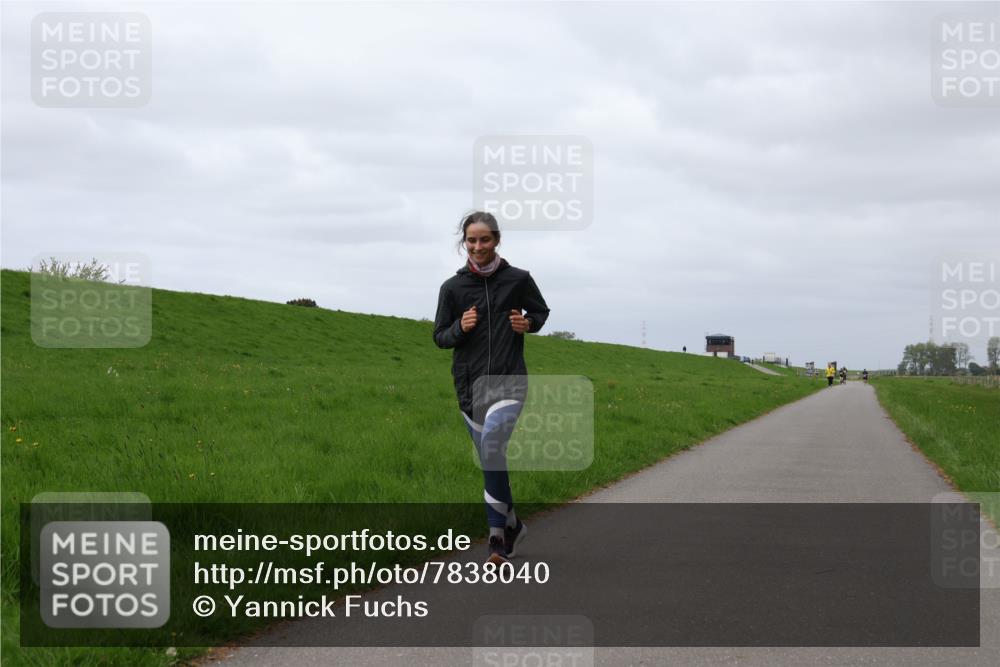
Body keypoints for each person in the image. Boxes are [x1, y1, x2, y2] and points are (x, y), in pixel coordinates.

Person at [433, 211, 550, 565]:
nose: (478, 246)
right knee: (490, 458)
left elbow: (541, 312)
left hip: (509, 381)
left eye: (485, 239)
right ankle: (512, 524)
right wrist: (460, 327)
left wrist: (527, 323)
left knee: (492, 444)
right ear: (464, 242)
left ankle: (496, 538)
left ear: (496, 240)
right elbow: (440, 337)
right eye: (472, 240)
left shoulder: (518, 279)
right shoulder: (452, 289)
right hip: (469, 387)